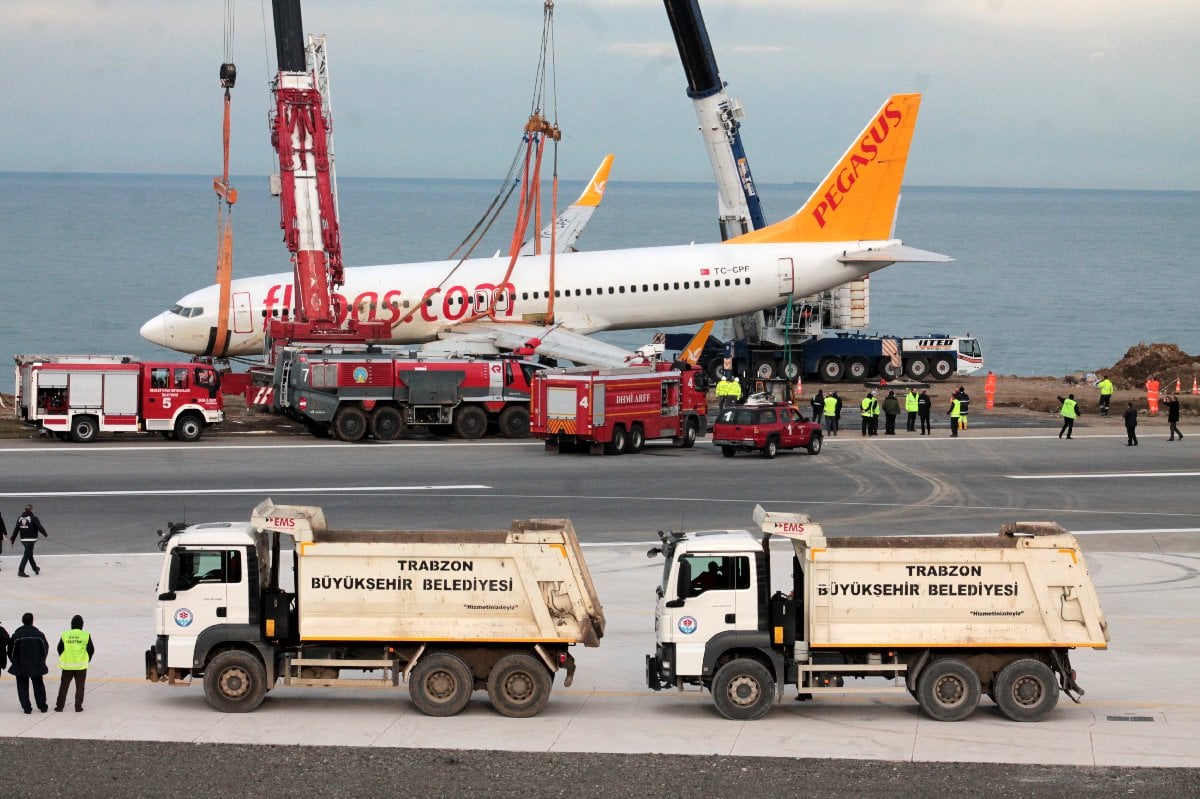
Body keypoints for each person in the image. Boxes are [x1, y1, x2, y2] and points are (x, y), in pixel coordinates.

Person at [7, 612, 49, 714]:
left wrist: (14, 661)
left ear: (23, 621)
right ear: (32, 621)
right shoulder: (39, 634)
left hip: (20, 665)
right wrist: (41, 660)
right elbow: (45, 649)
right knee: (38, 685)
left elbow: (10, 650)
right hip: (36, 664)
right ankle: (42, 706)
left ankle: (26, 708)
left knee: (22, 687)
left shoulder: (17, 635)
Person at [55, 614, 94, 712]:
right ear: (82, 625)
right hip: (81, 666)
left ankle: (59, 707)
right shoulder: (86, 635)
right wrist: (87, 659)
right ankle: (78, 707)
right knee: (80, 687)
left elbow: (59, 648)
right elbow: (91, 649)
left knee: (64, 686)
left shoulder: (65, 634)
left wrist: (64, 657)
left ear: (71, 624)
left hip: (67, 666)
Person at [11, 504, 48, 577]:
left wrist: (13, 539)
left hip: (23, 540)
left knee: (29, 554)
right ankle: (21, 570)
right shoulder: (33, 518)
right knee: (26, 555)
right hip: (31, 540)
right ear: (31, 510)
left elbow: (16, 529)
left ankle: (35, 568)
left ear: (25, 510)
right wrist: (45, 534)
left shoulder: (20, 518)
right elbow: (39, 527)